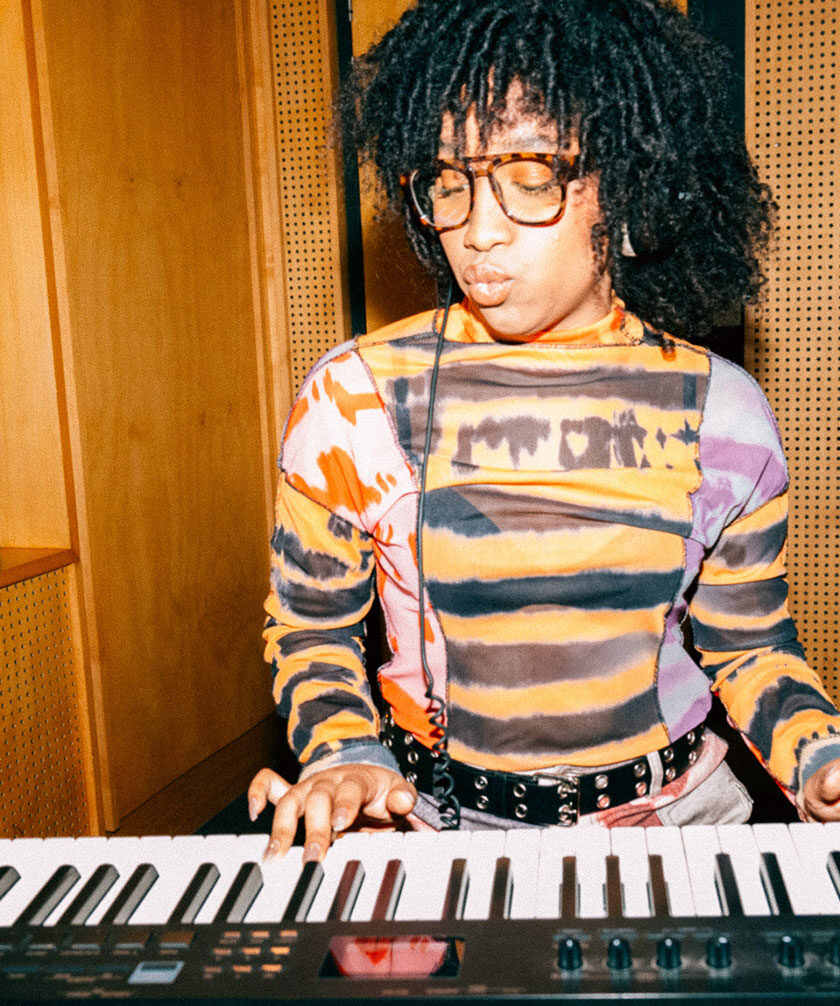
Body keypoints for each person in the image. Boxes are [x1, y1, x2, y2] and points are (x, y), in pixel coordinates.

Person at [248, 0, 840, 862]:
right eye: (449, 182)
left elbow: (749, 645)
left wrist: (819, 757)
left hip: (679, 824)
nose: (477, 232)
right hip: (433, 825)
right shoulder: (356, 397)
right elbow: (311, 629)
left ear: (631, 183)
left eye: (528, 179)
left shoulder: (726, 409)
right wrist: (346, 753)